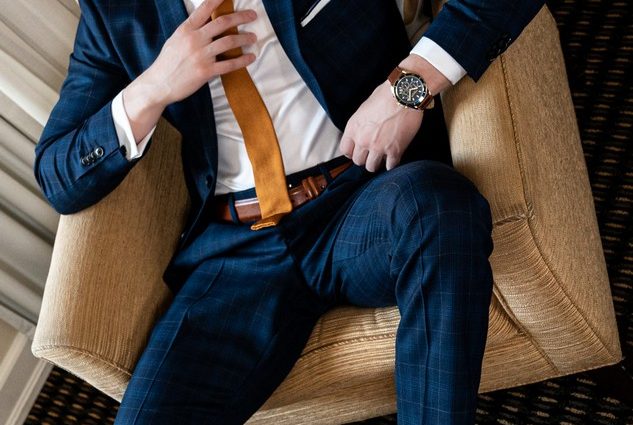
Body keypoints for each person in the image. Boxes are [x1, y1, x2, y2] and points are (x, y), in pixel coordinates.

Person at [33, 0, 545, 423]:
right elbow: (58, 174)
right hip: (237, 255)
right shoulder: (115, 11)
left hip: (361, 193)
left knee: (439, 210)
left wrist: (405, 92)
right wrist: (155, 87)